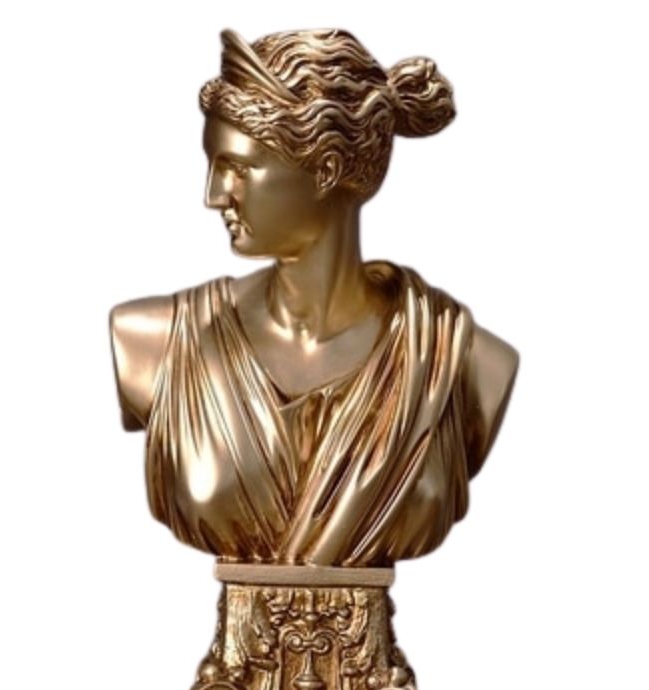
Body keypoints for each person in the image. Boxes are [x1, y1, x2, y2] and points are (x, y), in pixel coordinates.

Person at [109, 28, 518, 567]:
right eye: (213, 165)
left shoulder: (458, 360)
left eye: (238, 168)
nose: (213, 195)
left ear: (325, 170)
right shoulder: (153, 341)